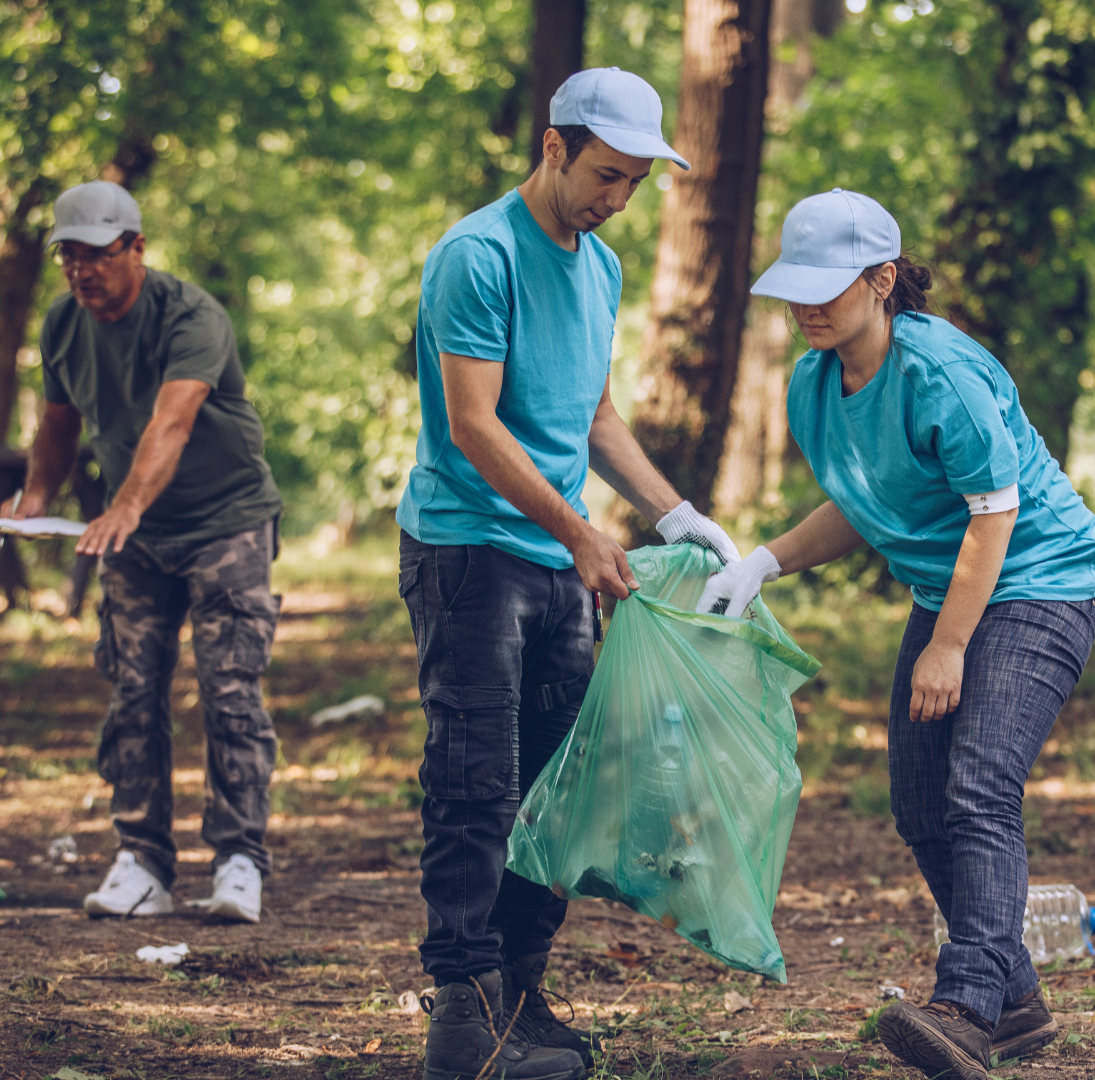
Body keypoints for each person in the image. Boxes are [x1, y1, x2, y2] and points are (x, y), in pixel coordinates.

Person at [700, 190, 1095, 1080]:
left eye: (827, 284)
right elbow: (862, 504)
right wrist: (763, 561)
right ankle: (1021, 1003)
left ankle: (964, 1009)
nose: (807, 303)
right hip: (951, 586)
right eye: (794, 285)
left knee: (980, 788)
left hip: (1038, 582)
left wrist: (949, 644)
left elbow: (994, 516)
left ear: (882, 281)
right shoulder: (814, 383)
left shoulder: (940, 373)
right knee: (920, 807)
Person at [402, 68, 742, 1080]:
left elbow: (591, 417)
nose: (617, 198)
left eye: (635, 182)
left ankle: (519, 996)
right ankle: (460, 1019)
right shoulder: (477, 255)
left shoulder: (599, 267)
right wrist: (583, 534)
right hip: (470, 552)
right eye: (606, 174)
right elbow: (473, 426)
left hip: (559, 558)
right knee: (475, 784)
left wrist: (675, 513)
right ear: (554, 148)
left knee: (561, 792)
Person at [9, 180, 286, 924]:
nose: (82, 272)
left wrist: (123, 506)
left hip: (225, 522)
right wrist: (37, 495)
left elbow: (173, 420)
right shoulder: (63, 324)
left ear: (136, 248)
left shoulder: (191, 315)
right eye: (69, 257)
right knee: (133, 693)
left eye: (98, 255)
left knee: (229, 691)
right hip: (136, 538)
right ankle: (141, 863)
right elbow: (60, 422)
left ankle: (238, 861)